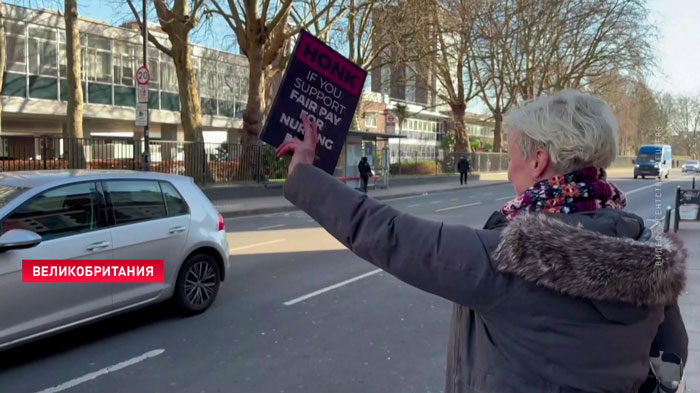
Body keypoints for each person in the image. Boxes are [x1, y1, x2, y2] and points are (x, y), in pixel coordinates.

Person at [276, 91, 687, 393]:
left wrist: (307, 177)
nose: (509, 171)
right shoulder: (645, 251)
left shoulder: (515, 259)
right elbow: (674, 347)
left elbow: (392, 236)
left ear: (538, 161)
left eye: (511, 157)